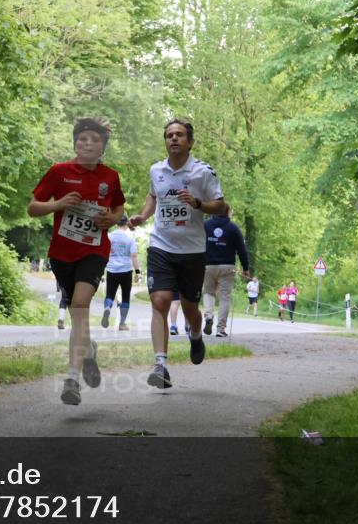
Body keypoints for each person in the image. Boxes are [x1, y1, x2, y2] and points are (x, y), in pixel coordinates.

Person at [30, 118, 124, 405]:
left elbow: (119, 207)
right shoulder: (59, 172)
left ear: (102, 147)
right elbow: (33, 208)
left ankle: (71, 379)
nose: (87, 143)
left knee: (80, 306)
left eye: (94, 139)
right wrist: (57, 205)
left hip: (94, 251)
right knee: (77, 315)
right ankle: (89, 351)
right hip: (61, 254)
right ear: (75, 143)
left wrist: (113, 218)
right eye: (82, 139)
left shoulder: (110, 177)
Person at [129, 119, 227, 389]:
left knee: (189, 307)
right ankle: (160, 365)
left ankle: (195, 334)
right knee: (159, 301)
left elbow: (221, 206)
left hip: (193, 251)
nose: (174, 139)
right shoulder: (156, 170)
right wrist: (142, 216)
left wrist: (197, 203)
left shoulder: (203, 172)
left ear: (190, 141)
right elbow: (153, 196)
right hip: (161, 245)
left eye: (180, 135)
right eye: (169, 135)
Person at [202, 206, 250, 336]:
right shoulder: (233, 228)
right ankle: (220, 329)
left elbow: (197, 243)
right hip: (228, 266)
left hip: (208, 265)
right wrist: (246, 268)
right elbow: (242, 250)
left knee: (208, 292)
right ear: (228, 212)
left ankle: (208, 317)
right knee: (224, 297)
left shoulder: (205, 225)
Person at [102, 216, 141, 331]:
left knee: (110, 294)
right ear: (126, 223)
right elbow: (133, 256)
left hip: (112, 269)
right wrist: (137, 272)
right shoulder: (130, 238)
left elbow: (105, 251)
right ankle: (122, 324)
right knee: (125, 297)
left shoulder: (109, 236)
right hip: (126, 270)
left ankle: (107, 307)